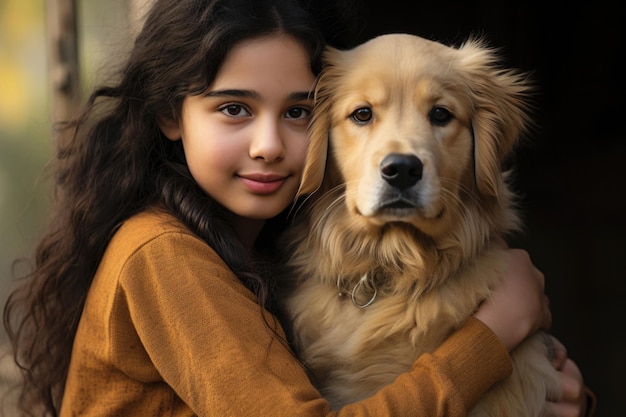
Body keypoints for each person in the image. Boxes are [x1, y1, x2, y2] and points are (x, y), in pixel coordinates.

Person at [2, 0, 594, 416]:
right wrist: (490, 338)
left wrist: (544, 386)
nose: (268, 145)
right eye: (233, 107)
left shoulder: (270, 245)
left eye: (297, 113)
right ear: (169, 115)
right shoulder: (165, 256)